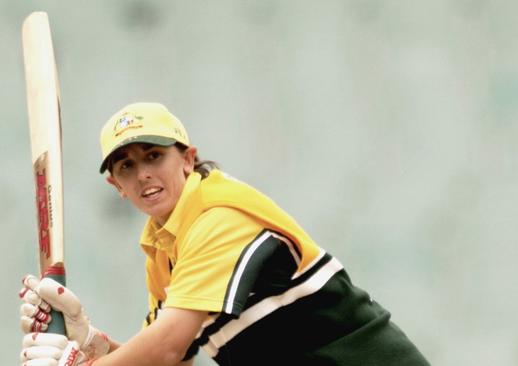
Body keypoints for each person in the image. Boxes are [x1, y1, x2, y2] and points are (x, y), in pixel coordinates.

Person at [19, 102, 429, 366]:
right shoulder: (165, 245)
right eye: (126, 166)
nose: (143, 173)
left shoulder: (217, 217)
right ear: (116, 187)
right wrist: (91, 343)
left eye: (154, 156)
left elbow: (166, 349)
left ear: (188, 159)